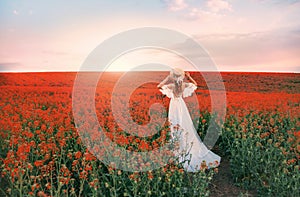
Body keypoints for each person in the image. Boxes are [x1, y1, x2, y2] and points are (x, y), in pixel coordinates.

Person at [157, 68, 221, 172]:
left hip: (174, 106)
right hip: (182, 105)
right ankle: (185, 146)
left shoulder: (172, 86)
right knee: (184, 125)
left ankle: (177, 149)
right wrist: (189, 76)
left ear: (173, 76)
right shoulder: (184, 85)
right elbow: (195, 84)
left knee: (175, 124)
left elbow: (159, 86)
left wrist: (167, 78)